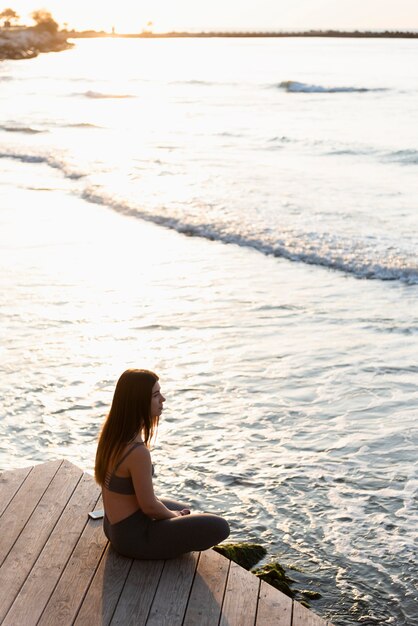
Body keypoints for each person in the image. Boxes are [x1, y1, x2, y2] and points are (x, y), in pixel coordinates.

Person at [95, 368, 230, 559]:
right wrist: (173, 517)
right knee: (219, 526)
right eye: (156, 395)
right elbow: (149, 506)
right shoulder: (137, 452)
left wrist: (172, 515)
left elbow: (142, 500)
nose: (163, 399)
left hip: (113, 526)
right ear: (139, 402)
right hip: (132, 539)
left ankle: (170, 525)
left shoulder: (113, 436)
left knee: (183, 508)